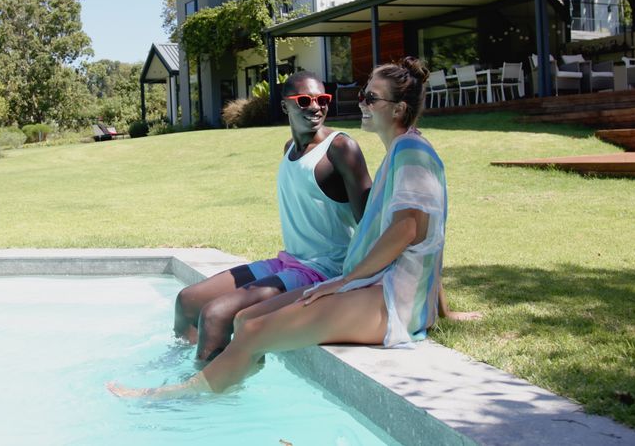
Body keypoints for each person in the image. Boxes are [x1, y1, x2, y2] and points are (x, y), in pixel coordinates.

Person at [111, 57, 465, 398]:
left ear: (398, 108)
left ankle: (184, 395)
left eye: (370, 97)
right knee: (246, 320)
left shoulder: (411, 152)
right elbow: (429, 238)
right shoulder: (400, 151)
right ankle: (221, 385)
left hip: (389, 300)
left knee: (254, 331)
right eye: (363, 95)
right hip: (367, 285)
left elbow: (409, 232)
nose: (360, 103)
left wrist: (344, 280)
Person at [173, 70, 372, 361]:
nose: (315, 107)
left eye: (322, 99)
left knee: (216, 315)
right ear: (285, 106)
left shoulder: (341, 148)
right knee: (188, 300)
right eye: (304, 100)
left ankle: (204, 395)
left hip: (324, 271)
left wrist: (363, 281)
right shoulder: (289, 148)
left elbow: (370, 221)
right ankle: (181, 365)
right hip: (289, 260)